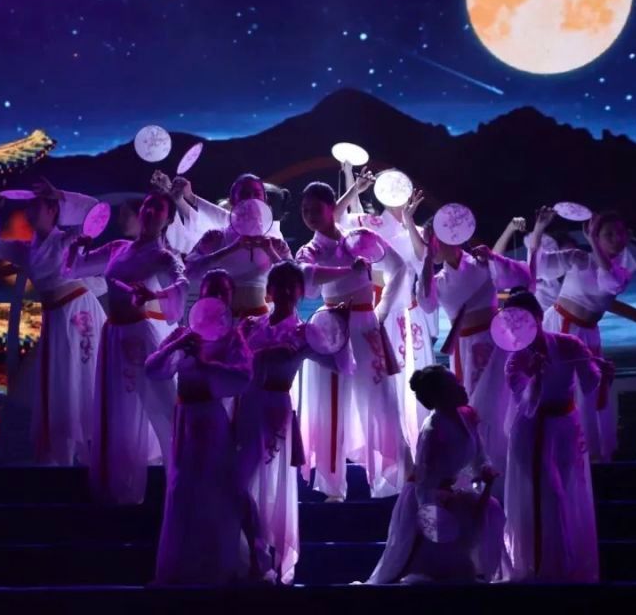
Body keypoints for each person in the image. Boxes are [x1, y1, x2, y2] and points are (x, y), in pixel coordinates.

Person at [0, 180, 106, 466]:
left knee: (81, 377)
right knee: (57, 382)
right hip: (55, 316)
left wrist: (60, 194)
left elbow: (95, 210)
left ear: (53, 211)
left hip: (80, 314)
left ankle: (91, 454)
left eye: (36, 205)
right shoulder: (26, 249)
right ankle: (59, 456)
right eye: (29, 205)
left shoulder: (68, 239)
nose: (30, 210)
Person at [64, 190, 188, 504]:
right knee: (115, 408)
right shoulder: (118, 248)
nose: (150, 211)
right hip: (113, 336)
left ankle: (182, 481)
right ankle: (118, 486)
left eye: (158, 209)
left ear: (167, 220)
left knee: (160, 408)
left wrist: (154, 296)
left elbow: (181, 284)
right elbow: (76, 269)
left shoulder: (163, 257)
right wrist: (77, 246)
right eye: (147, 205)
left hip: (138, 336)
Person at [295, 180, 412, 501]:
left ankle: (402, 472)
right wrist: (348, 269)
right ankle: (333, 486)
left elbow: (399, 268)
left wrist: (382, 310)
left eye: (315, 209)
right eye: (305, 211)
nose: (309, 216)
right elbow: (306, 280)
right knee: (330, 404)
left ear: (331, 207)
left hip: (366, 325)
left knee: (383, 399)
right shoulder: (311, 249)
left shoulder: (360, 239)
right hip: (331, 329)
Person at [237, 260, 352, 584]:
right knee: (240, 484)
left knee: (266, 486)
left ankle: (265, 558)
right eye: (281, 286)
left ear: (301, 292)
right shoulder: (251, 326)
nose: (287, 292)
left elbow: (340, 365)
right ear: (269, 290)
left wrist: (341, 330)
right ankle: (249, 554)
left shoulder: (304, 333)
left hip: (276, 410)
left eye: (293, 286)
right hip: (246, 406)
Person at [146, 270, 253, 585]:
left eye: (222, 293)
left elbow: (243, 377)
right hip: (185, 419)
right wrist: (175, 346)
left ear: (230, 299)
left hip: (211, 418)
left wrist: (207, 365)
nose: (216, 299)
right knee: (182, 490)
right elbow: (153, 368)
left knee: (215, 489)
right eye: (210, 292)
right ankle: (180, 565)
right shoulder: (184, 333)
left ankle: (216, 565)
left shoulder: (233, 338)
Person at [411, 219, 530, 495]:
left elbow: (524, 277)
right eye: (427, 240)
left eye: (433, 238)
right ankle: (477, 477)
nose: (430, 244)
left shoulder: (480, 264)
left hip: (496, 343)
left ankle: (506, 478)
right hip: (465, 349)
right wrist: (427, 259)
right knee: (471, 412)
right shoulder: (439, 280)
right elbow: (426, 304)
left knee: (498, 408)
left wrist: (494, 258)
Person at [501, 290, 611, 583]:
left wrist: (600, 372)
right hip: (531, 431)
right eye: (512, 321)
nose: (519, 326)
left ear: (539, 316)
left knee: (570, 491)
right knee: (549, 495)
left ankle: (570, 564)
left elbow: (589, 383)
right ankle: (546, 567)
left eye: (524, 318)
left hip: (565, 427)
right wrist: (535, 375)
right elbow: (526, 403)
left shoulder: (568, 344)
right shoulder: (515, 360)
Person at [367, 365, 504, 584]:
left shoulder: (466, 418)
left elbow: (479, 455)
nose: (462, 387)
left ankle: (485, 570)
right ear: (441, 395)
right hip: (427, 497)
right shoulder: (433, 430)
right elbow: (423, 481)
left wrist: (485, 468)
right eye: (454, 385)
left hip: (450, 493)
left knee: (492, 509)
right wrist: (432, 511)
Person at [336, 163, 436, 452]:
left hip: (409, 315)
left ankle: (418, 445)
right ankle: (385, 446)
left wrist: (409, 221)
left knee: (413, 384)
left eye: (401, 184)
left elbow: (424, 259)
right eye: (390, 184)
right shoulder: (369, 223)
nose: (397, 190)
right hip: (377, 311)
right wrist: (352, 186)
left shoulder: (417, 230)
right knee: (381, 382)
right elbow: (336, 217)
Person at [530, 207, 636, 462]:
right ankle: (553, 449)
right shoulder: (579, 258)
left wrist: (594, 242)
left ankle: (587, 454)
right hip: (558, 327)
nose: (616, 238)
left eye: (620, 233)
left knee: (588, 391)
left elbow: (609, 282)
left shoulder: (622, 271)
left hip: (587, 335)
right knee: (556, 386)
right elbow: (539, 265)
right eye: (609, 234)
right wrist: (540, 228)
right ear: (596, 236)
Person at [185, 173, 292, 319]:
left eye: (256, 194)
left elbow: (294, 281)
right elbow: (189, 271)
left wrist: (271, 252)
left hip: (259, 321)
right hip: (221, 320)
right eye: (244, 194)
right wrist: (229, 249)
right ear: (232, 200)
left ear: (265, 200)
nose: (251, 199)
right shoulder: (215, 238)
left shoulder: (274, 242)